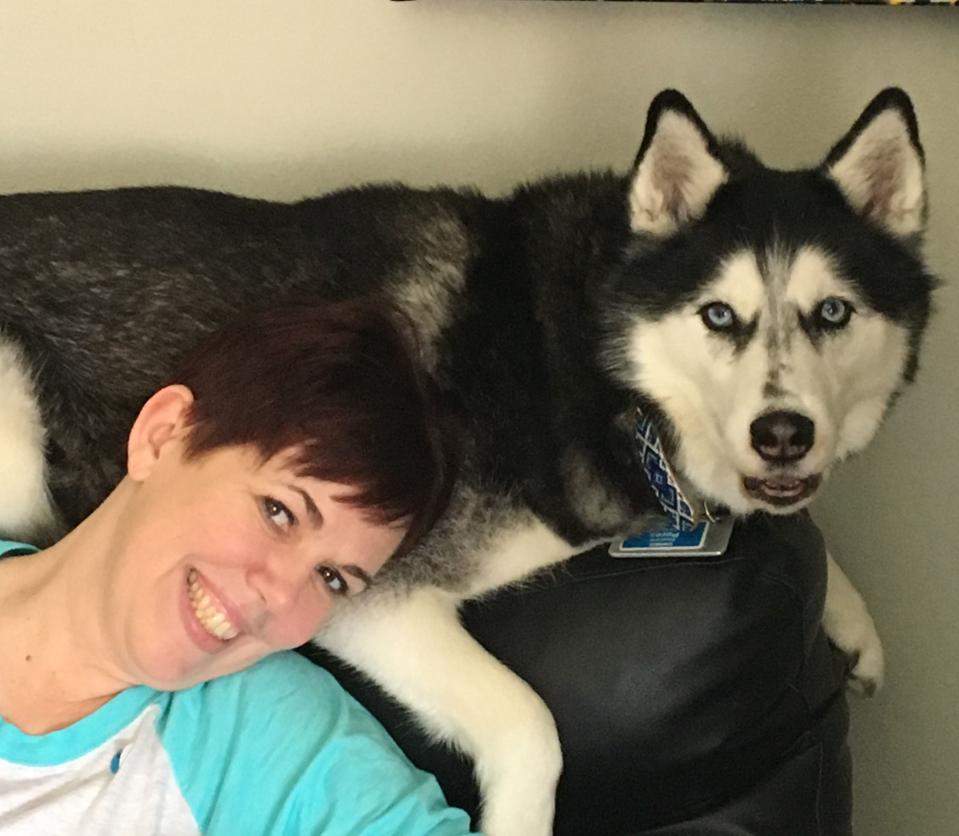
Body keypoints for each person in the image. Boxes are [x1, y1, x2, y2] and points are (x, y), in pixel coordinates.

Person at [0, 298, 473, 834]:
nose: (280, 595)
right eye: (280, 512)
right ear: (162, 435)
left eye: (332, 578)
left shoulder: (282, 740)